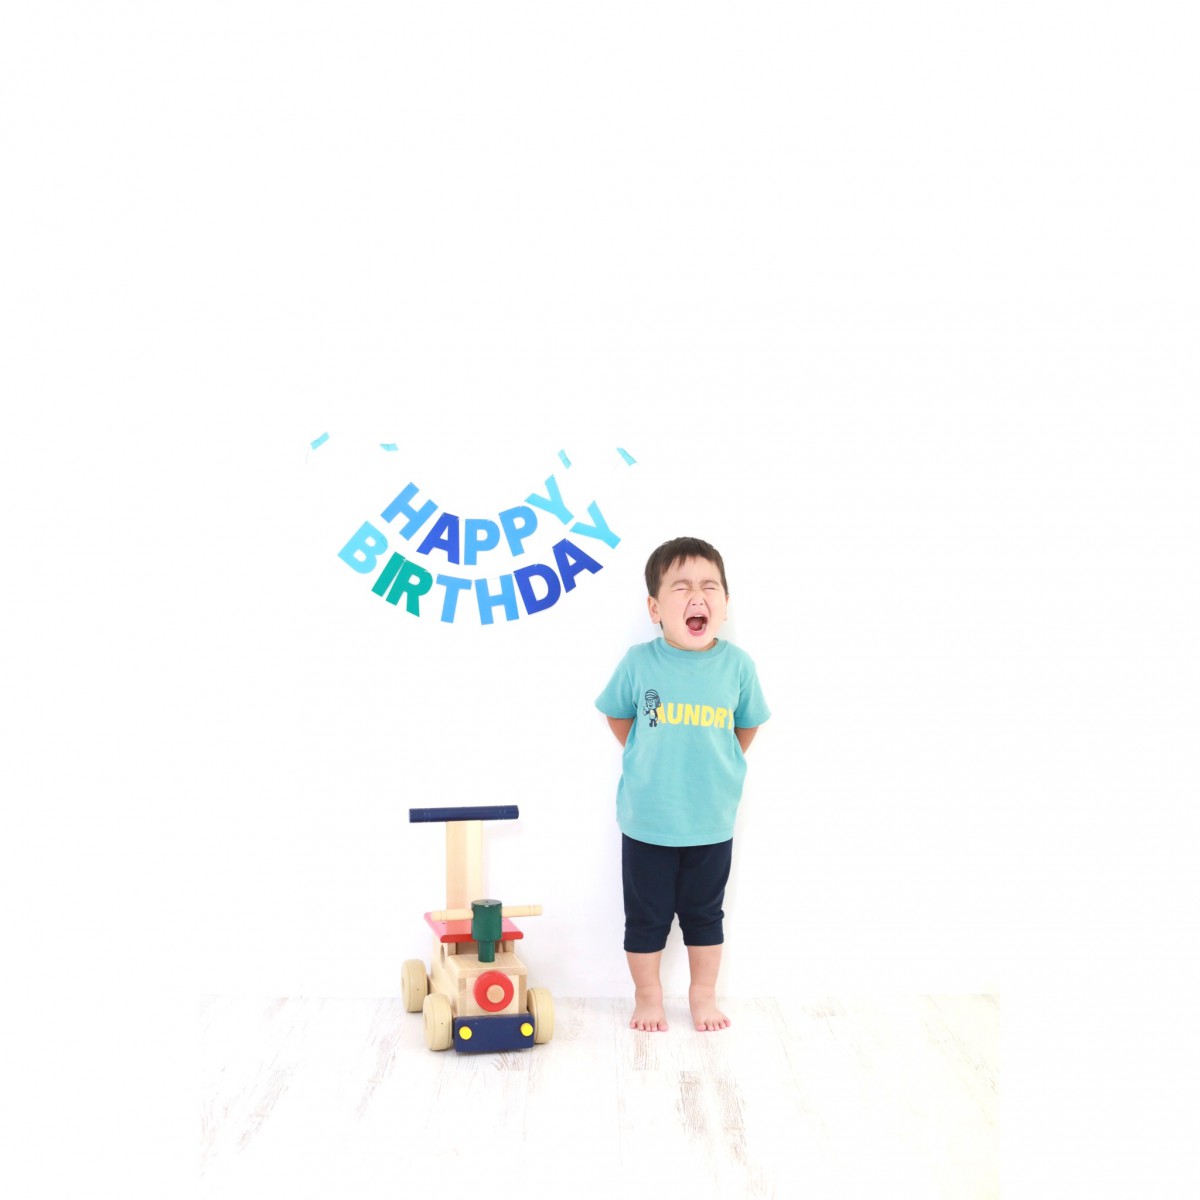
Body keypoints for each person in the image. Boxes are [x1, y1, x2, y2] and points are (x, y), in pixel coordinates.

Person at [596, 536, 770, 1032]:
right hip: (648, 819)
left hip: (711, 819)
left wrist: (721, 762)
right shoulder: (639, 663)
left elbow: (747, 724)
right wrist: (648, 755)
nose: (698, 596)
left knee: (705, 915)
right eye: (681, 587)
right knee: (645, 919)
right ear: (654, 608)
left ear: (725, 604)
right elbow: (619, 715)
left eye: (709, 586)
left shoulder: (737, 666)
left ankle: (702, 995)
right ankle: (648, 996)